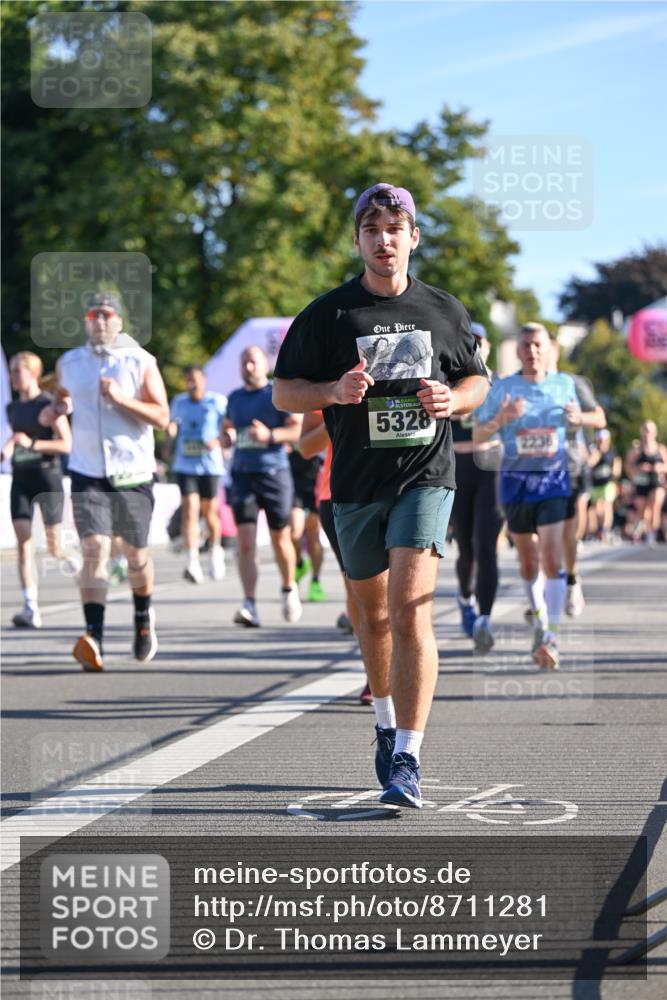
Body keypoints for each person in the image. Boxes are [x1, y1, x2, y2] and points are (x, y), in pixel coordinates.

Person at [273, 182, 490, 808]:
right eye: (372, 229)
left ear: (413, 238)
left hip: (425, 476)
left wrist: (456, 399)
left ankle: (407, 756)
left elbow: (476, 380)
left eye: (395, 228)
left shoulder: (443, 311)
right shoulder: (329, 315)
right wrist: (333, 392)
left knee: (410, 608)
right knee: (371, 616)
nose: (384, 239)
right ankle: (384, 720)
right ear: (358, 240)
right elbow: (285, 394)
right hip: (355, 486)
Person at [47, 293, 169, 671]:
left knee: (134, 555)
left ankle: (143, 617)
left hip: (132, 472)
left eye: (106, 314)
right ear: (86, 321)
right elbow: (61, 399)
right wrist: (59, 408)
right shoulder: (69, 362)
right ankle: (93, 637)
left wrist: (120, 400)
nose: (99, 321)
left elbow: (162, 416)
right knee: (94, 550)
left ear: (119, 321)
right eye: (92, 314)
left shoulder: (139, 360)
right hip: (86, 472)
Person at [474, 322, 579, 670]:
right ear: (517, 351)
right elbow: (477, 434)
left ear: (548, 349)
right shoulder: (502, 387)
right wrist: (502, 418)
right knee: (528, 561)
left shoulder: (565, 384)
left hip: (553, 481)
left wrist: (577, 420)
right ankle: (536, 614)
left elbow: (580, 421)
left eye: (537, 345)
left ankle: (551, 635)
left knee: (550, 557)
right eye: (525, 346)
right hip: (516, 483)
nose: (532, 351)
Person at [224, 345, 303, 628]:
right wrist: (228, 437)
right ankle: (249, 603)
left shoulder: (275, 394)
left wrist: (269, 435)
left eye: (253, 362)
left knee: (280, 538)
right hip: (243, 473)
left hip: (273, 472)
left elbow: (296, 430)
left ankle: (288, 586)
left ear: (264, 364)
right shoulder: (233, 398)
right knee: (245, 544)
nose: (248, 367)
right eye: (244, 362)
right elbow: (228, 427)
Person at [2, 352, 77, 628]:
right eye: (11, 371)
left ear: (33, 373)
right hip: (21, 479)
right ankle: (30, 606)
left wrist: (32, 444)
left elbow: (66, 444)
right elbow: (16, 439)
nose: (12, 377)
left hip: (47, 478)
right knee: (23, 545)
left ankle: (73, 558)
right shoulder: (12, 408)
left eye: (17, 371)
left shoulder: (48, 404)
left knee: (54, 547)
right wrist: (8, 448)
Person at [298, 410, 369, 703]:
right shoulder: (328, 377)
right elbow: (306, 446)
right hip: (339, 493)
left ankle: (403, 665)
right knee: (358, 591)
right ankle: (374, 671)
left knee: (399, 588)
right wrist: (339, 412)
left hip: (398, 488)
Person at [450, 323, 503, 653]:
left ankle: (484, 617)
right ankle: (465, 597)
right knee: (466, 547)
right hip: (458, 468)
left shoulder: (501, 383)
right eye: (466, 341)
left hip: (491, 467)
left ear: (488, 347)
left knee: (486, 543)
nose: (472, 346)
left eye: (477, 342)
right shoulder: (448, 380)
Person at [548, 334, 606, 617]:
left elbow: (599, 418)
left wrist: (579, 418)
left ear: (555, 351)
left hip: (568, 466)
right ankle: (544, 590)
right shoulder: (519, 384)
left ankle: (570, 580)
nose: (537, 354)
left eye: (544, 348)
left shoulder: (573, 383)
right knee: (536, 536)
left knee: (568, 532)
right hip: (531, 469)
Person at [168, 365, 227, 583]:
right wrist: (170, 436)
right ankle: (192, 561)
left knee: (209, 511)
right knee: (190, 510)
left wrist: (218, 441)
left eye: (195, 379)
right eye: (188, 380)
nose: (191, 383)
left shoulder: (217, 402)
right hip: (185, 464)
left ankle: (215, 551)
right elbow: (173, 424)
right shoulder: (179, 402)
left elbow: (227, 429)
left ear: (204, 380)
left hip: (210, 466)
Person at [288, 446, 326, 602]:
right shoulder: (290, 420)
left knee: (313, 534)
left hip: (316, 476)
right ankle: (299, 564)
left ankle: (315, 581)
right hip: (294, 476)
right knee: (294, 532)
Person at [624, 421, 667, 544]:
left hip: (656, 481)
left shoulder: (660, 449)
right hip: (642, 483)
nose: (647, 433)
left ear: (654, 433)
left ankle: (653, 532)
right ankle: (647, 532)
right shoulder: (637, 449)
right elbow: (627, 468)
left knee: (656, 504)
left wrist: (660, 467)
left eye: (650, 430)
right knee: (644, 510)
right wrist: (639, 468)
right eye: (645, 430)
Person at [588, 429, 622, 541]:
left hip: (608, 483)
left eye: (603, 440)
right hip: (596, 484)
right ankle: (598, 528)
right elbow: (589, 464)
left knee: (607, 505)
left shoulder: (612, 453)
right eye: (600, 440)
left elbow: (617, 468)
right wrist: (596, 454)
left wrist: (615, 472)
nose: (602, 442)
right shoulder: (594, 452)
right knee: (597, 508)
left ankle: (605, 530)